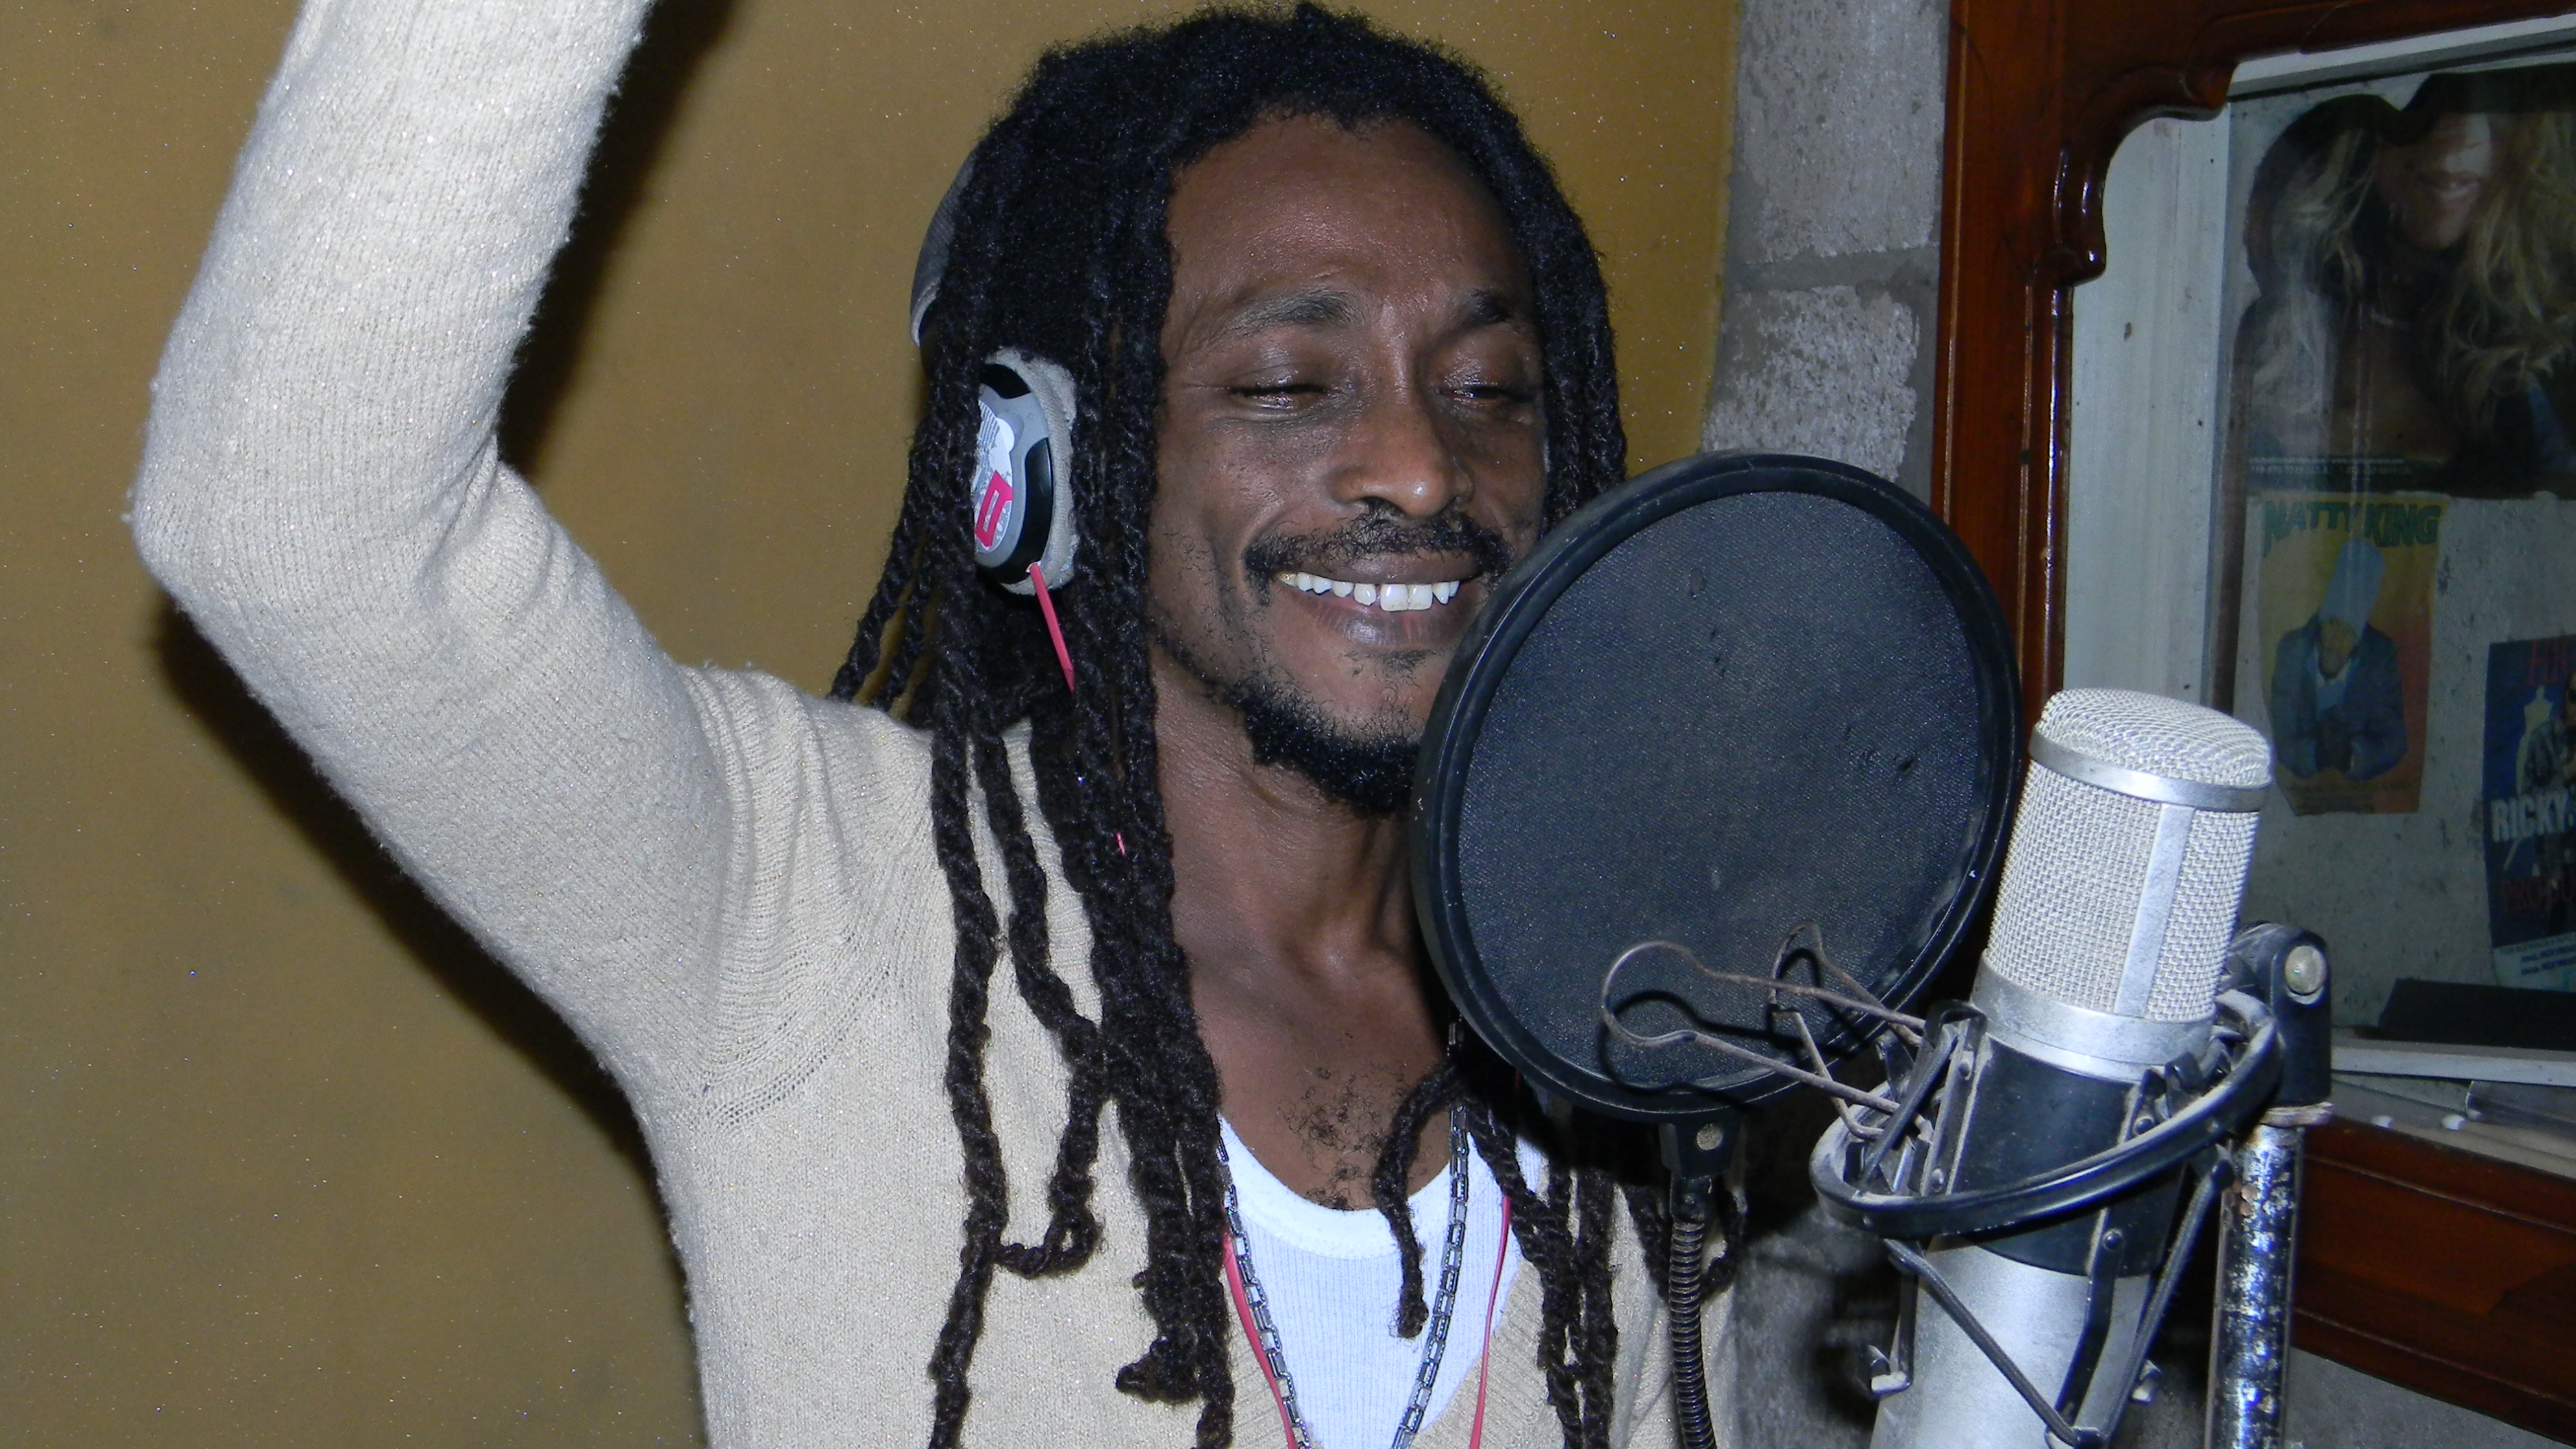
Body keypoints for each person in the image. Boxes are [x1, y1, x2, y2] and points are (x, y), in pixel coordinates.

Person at [130, 1, 1731, 1447]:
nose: (1423, 467)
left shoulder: (1612, 995)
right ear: (1035, 468)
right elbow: (293, 522)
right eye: (1286, 383)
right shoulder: (799, 892)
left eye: (1486, 388)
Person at [2270, 538, 2407, 782]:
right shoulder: (2293, 651)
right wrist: (2317, 755)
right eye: (2332, 625)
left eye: (2348, 633)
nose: (2335, 641)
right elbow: (2278, 735)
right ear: (2321, 624)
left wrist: (2353, 756)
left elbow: (2394, 740)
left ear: (2359, 641)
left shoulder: (2379, 657)